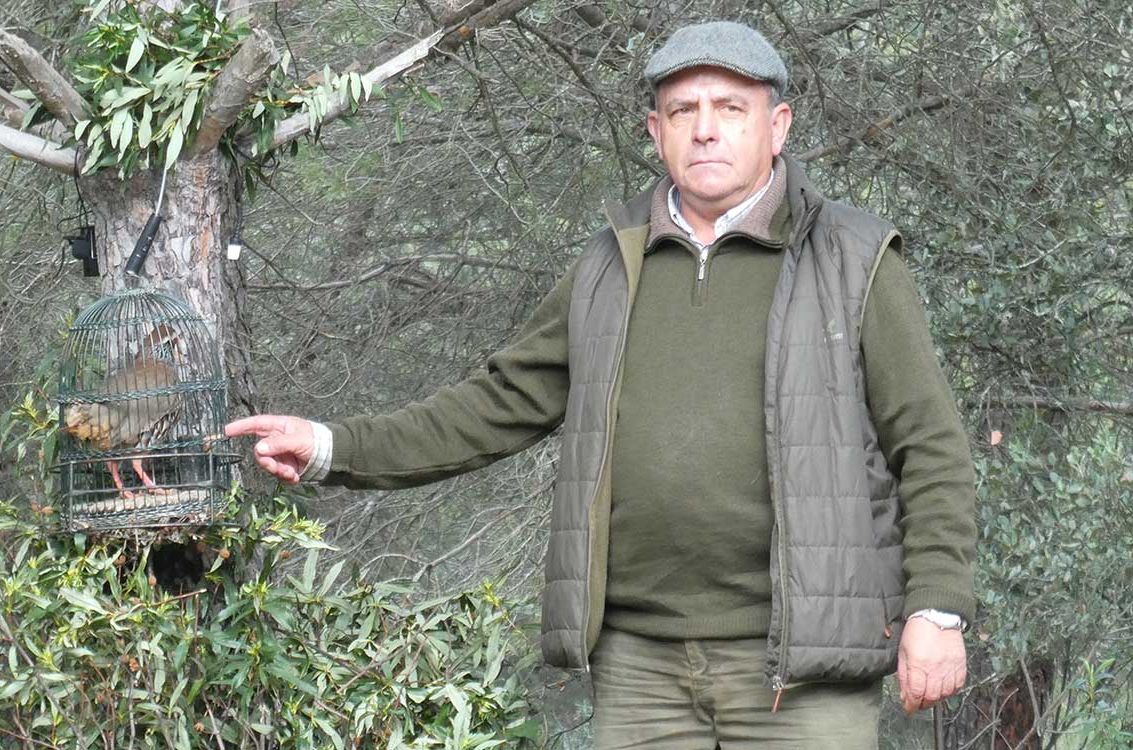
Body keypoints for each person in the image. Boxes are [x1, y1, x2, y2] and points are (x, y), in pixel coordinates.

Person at [227, 20, 976, 749]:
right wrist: (331, 446)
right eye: (684, 111)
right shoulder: (609, 266)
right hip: (640, 666)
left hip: (801, 669)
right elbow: (494, 405)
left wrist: (936, 611)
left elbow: (931, 447)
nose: (706, 130)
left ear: (777, 126)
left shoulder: (856, 259)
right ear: (656, 133)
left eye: (730, 109)